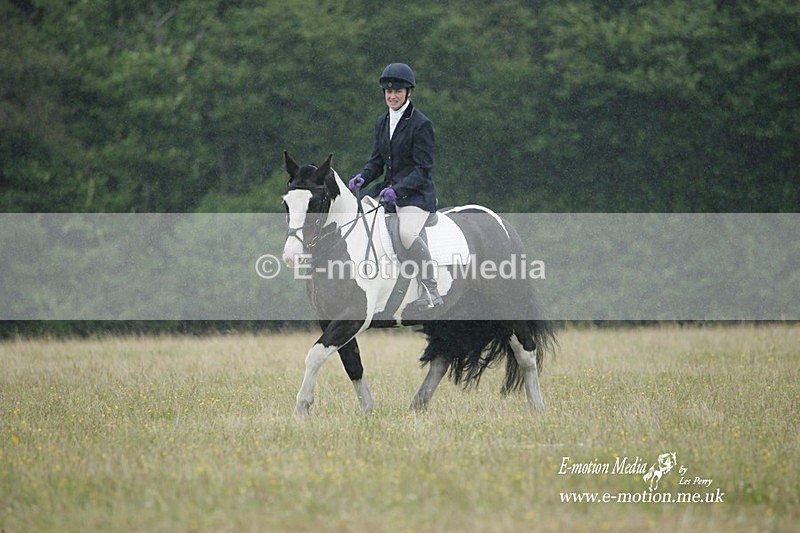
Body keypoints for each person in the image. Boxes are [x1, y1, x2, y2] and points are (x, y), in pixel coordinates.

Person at [348, 62, 443, 308]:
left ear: (408, 93)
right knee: (357, 214)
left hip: (416, 195)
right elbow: (377, 162)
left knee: (406, 233)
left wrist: (398, 190)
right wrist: (363, 177)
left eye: (397, 92)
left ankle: (431, 289)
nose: (392, 96)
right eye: (388, 92)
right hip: (388, 190)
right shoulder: (382, 121)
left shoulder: (421, 124)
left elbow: (423, 170)